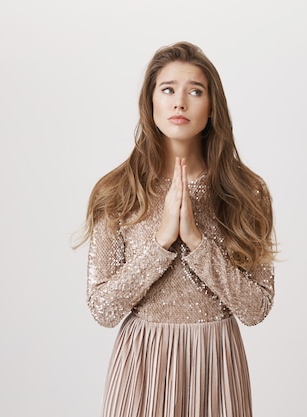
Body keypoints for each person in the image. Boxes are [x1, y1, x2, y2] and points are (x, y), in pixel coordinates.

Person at [77, 41, 276, 417]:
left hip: (216, 364)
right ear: (150, 102)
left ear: (212, 106)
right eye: (167, 89)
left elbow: (256, 308)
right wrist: (161, 242)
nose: (179, 102)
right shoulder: (118, 191)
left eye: (194, 91)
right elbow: (103, 309)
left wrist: (199, 245)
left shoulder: (247, 191)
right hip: (142, 364)